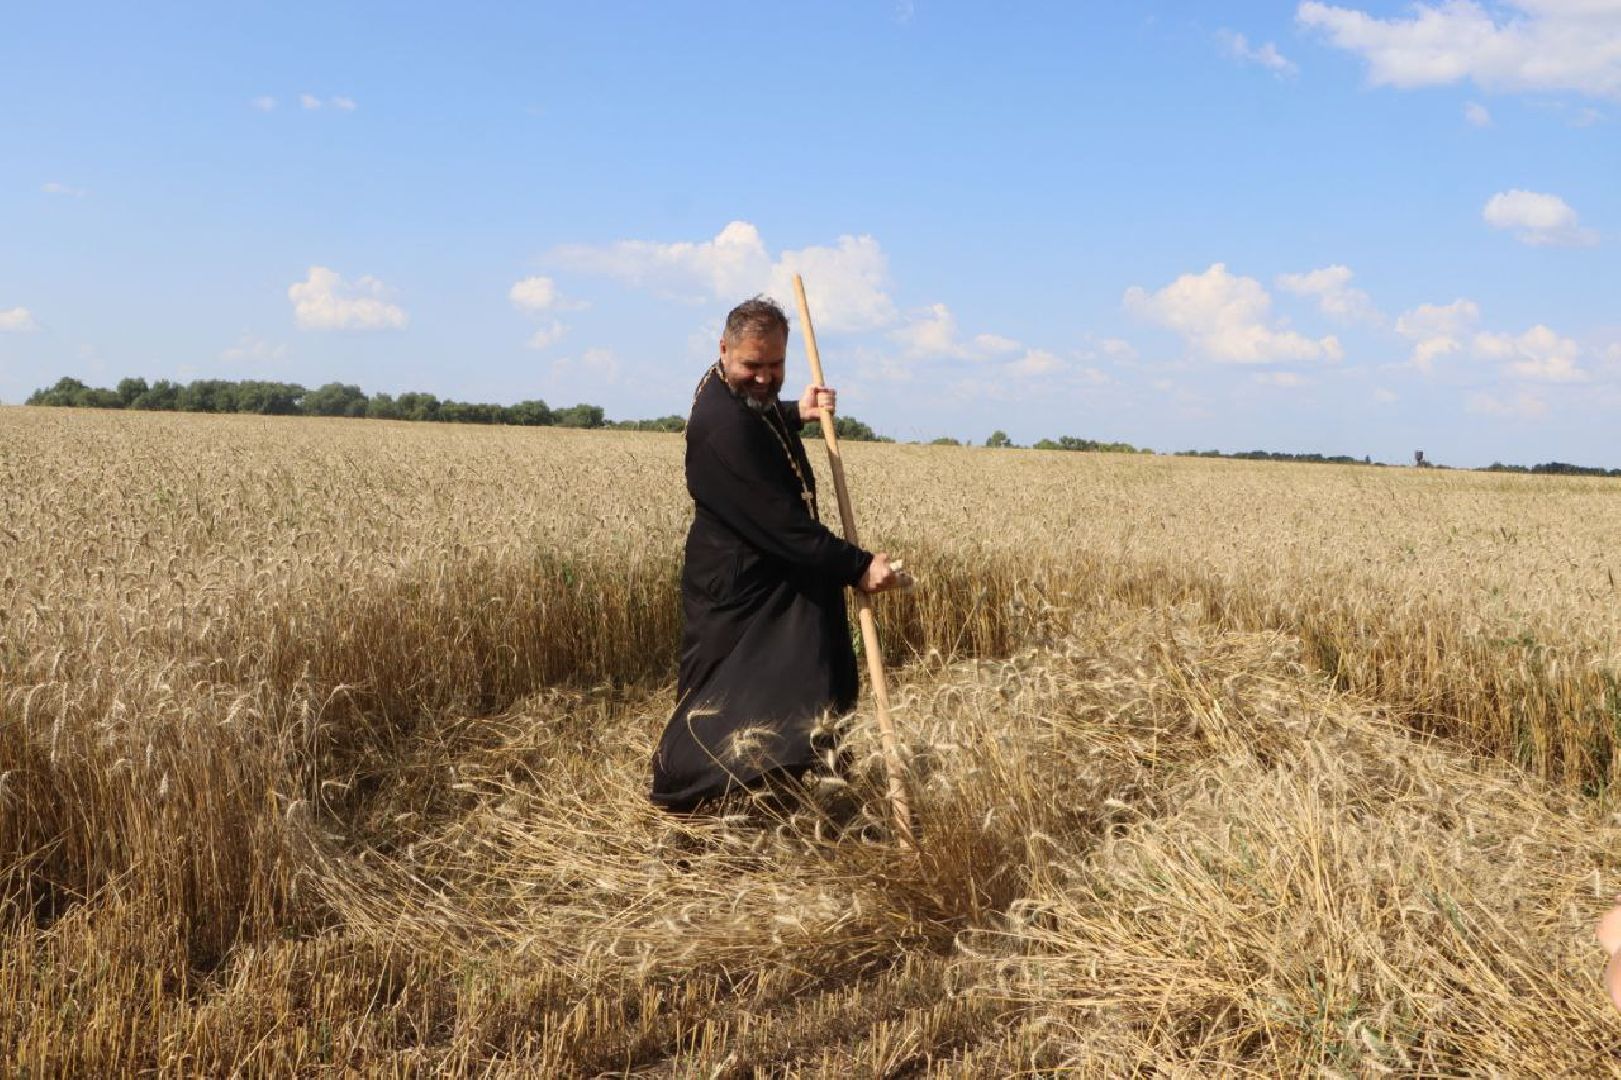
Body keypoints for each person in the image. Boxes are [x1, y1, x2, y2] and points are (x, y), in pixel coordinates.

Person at [649, 296, 899, 812]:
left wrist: (795, 412)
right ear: (724, 349)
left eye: (776, 366)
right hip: (741, 582)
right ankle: (692, 788)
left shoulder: (723, 390)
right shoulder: (722, 429)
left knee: (800, 673)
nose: (764, 378)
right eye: (752, 366)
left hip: (761, 568)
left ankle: (780, 783)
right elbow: (783, 526)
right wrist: (858, 565)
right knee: (725, 691)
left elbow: (758, 416)